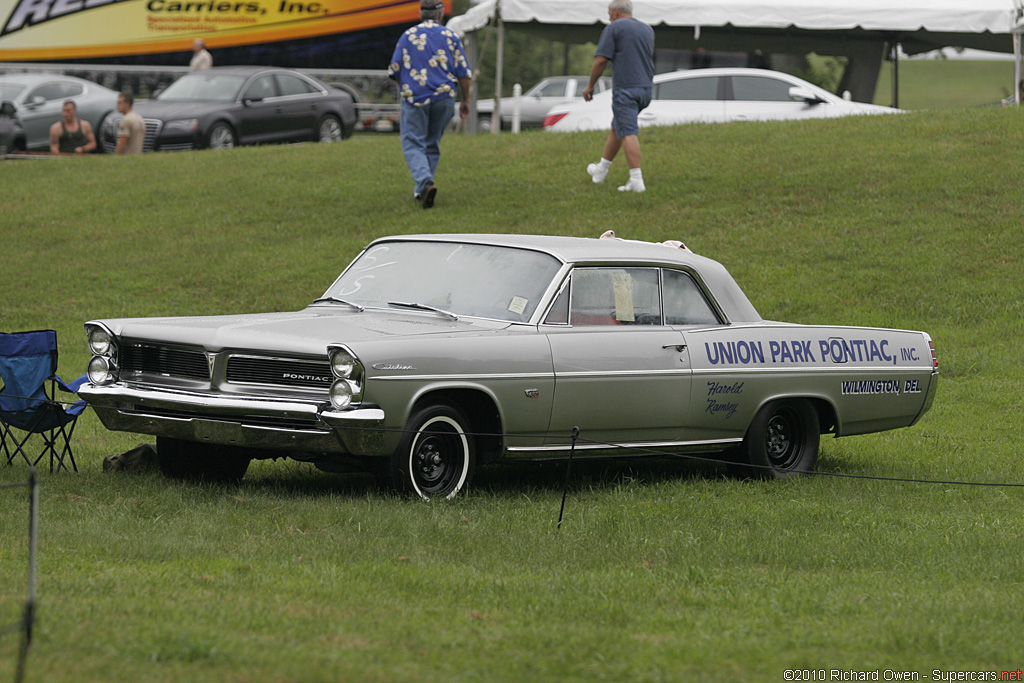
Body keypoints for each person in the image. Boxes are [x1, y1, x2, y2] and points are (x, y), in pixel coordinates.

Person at [387, 0, 472, 209]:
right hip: (444, 97)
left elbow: (395, 70)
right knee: (432, 143)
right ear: (441, 14)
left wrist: (405, 89)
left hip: (415, 97)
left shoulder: (408, 36)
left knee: (413, 143)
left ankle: (425, 182)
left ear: (420, 13)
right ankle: (423, 190)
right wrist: (466, 99)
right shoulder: (450, 36)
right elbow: (463, 72)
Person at [582, 0, 655, 193]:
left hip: (626, 89)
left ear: (615, 12)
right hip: (645, 89)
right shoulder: (647, 29)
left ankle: (636, 181)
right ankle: (601, 170)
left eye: (608, 13)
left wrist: (590, 85)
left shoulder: (614, 28)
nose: (609, 17)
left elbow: (600, 61)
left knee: (628, 130)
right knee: (619, 126)